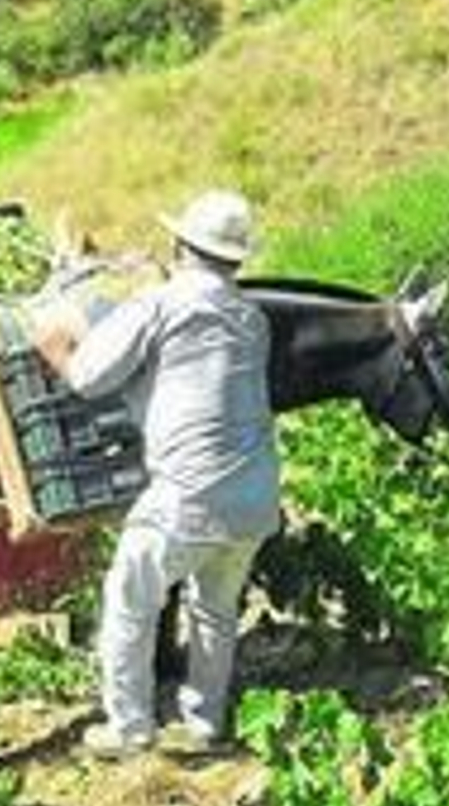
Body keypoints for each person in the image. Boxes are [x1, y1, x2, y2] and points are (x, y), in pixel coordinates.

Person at [53, 189, 280, 758]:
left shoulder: (162, 303)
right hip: (256, 495)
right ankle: (204, 723)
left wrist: (56, 348)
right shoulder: (253, 320)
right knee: (216, 609)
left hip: (188, 495)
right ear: (236, 260)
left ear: (179, 246)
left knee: (129, 596)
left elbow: (88, 376)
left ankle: (128, 729)